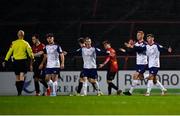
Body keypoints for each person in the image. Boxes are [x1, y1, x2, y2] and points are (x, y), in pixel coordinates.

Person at [3, 30, 34, 96]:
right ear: (23, 35)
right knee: (22, 76)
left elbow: (9, 52)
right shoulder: (26, 43)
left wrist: (5, 60)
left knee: (17, 77)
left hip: (16, 62)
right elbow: (30, 52)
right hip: (23, 62)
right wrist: (33, 58)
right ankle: (20, 92)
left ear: (17, 35)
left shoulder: (13, 43)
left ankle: (18, 93)